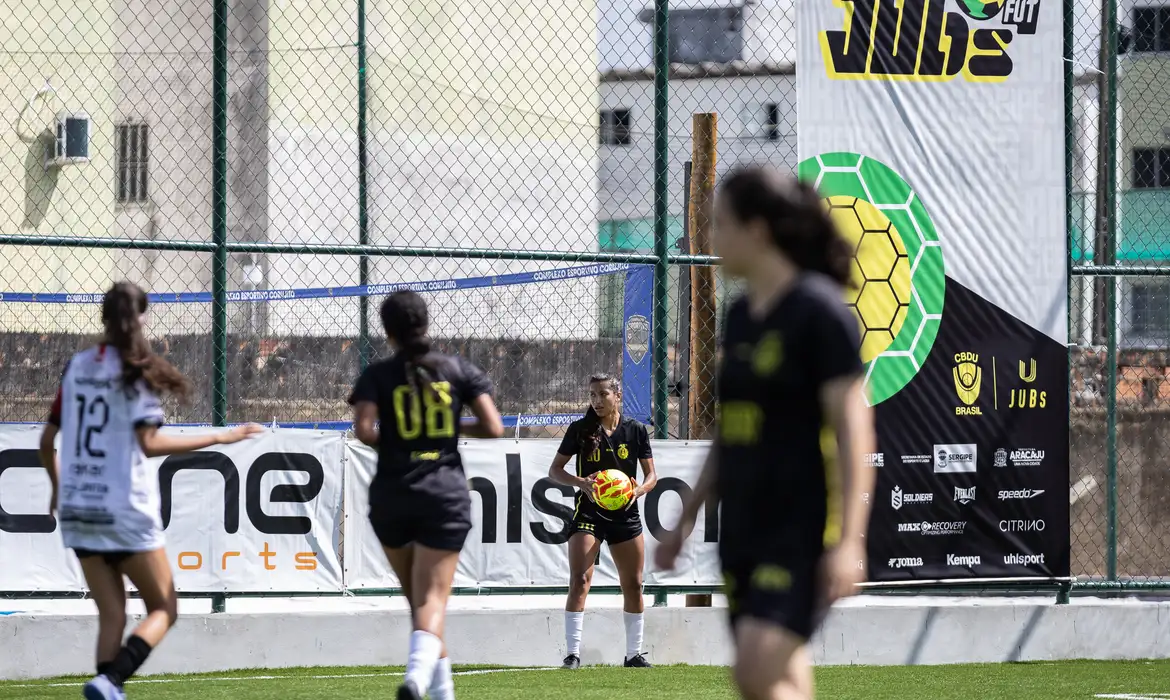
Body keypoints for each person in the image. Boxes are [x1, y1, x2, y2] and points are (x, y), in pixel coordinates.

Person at [655, 166, 876, 700]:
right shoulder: (739, 316)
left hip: (800, 530)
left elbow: (853, 431)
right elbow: (728, 432)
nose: (710, 237)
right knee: (776, 680)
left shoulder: (820, 312)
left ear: (756, 230)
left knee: (753, 669)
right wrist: (684, 521)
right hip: (744, 529)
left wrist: (848, 542)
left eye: (719, 224)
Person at [38, 282, 263, 700]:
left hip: (78, 507)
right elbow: (150, 443)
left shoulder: (78, 365)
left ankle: (108, 686)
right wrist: (220, 437)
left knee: (112, 615)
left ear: (102, 316)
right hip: (123, 507)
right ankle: (110, 680)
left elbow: (46, 441)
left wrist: (57, 489)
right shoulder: (134, 369)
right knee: (164, 608)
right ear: (141, 318)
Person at [349, 290, 504, 700]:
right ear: (426, 323)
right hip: (444, 496)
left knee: (420, 605)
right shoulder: (456, 368)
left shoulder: (378, 375)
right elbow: (493, 426)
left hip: (392, 496)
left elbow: (364, 431)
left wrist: (401, 437)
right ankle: (416, 678)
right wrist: (449, 428)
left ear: (387, 331)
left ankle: (442, 693)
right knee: (432, 601)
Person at [548, 374, 658, 669]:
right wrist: (581, 482)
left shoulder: (635, 431)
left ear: (617, 395)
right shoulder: (580, 430)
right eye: (592, 395)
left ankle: (633, 654)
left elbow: (652, 476)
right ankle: (572, 654)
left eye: (602, 394)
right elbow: (555, 471)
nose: (596, 400)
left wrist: (639, 489)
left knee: (634, 584)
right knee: (580, 579)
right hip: (589, 513)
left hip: (625, 514)